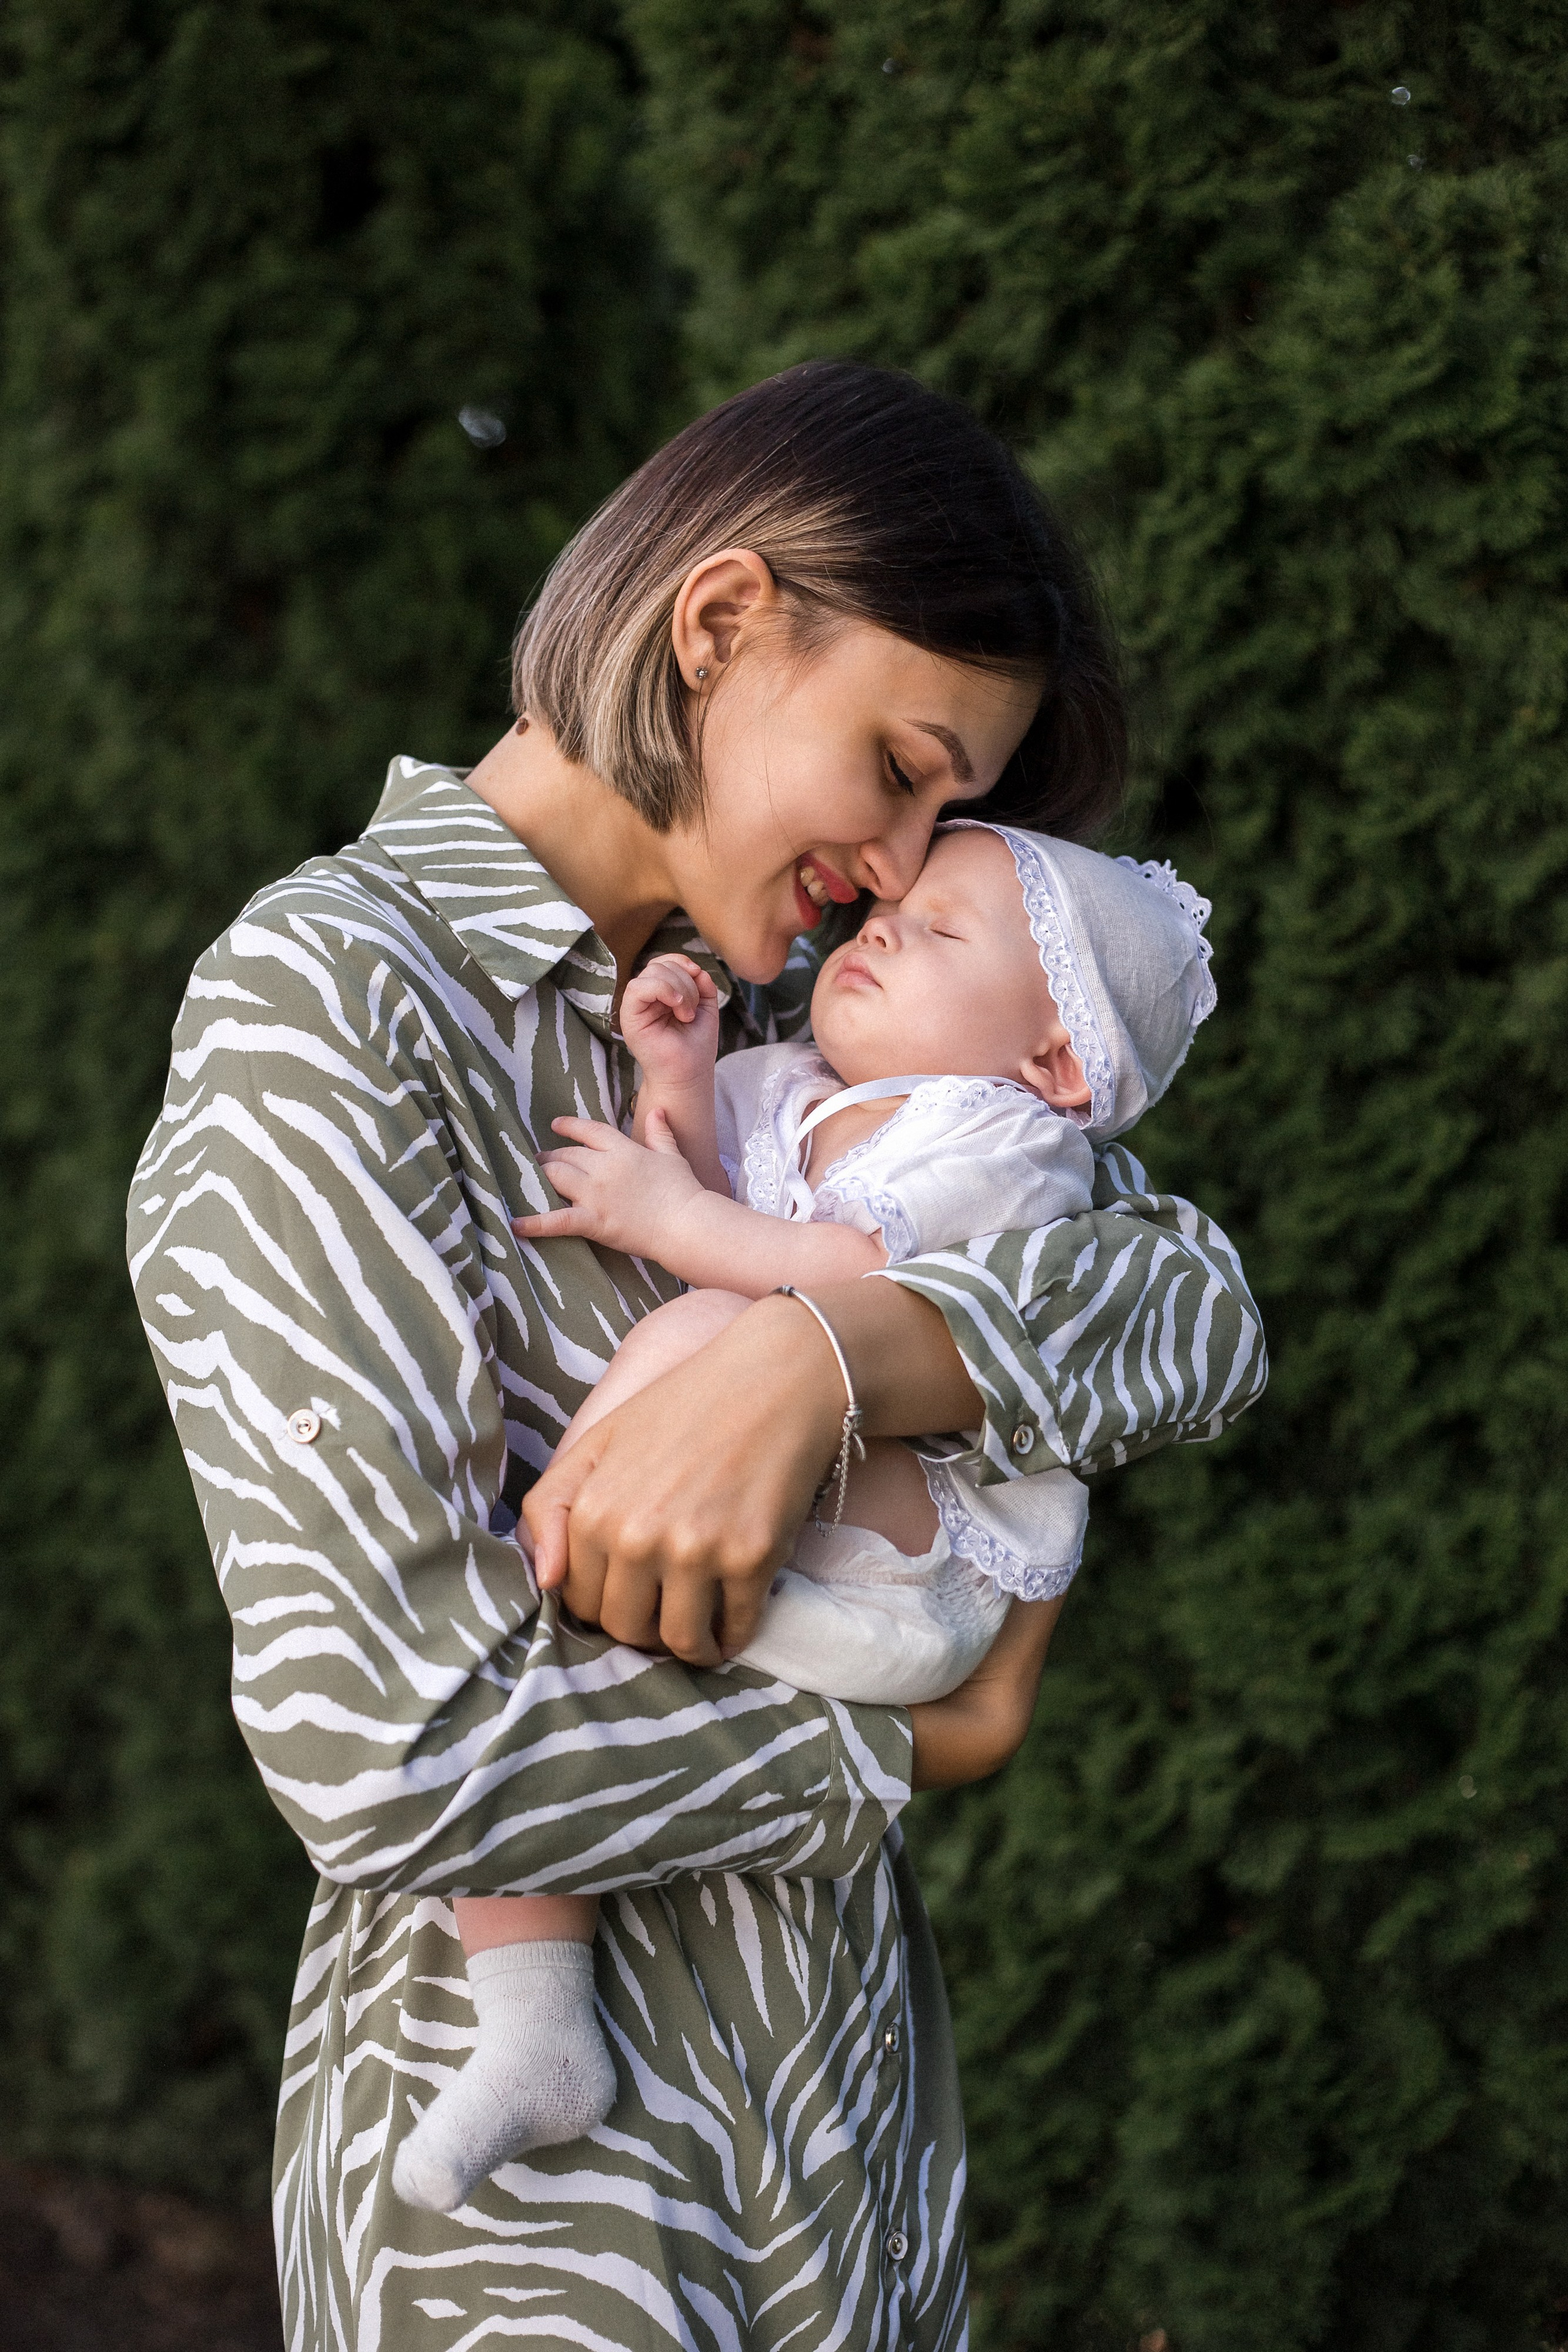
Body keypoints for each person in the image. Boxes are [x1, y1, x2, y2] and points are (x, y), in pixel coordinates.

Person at [126, 362, 1265, 2352]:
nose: (911, 866)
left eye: (950, 814)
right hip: (554, 2231)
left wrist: (834, 1357)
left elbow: (1196, 1311)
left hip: (856, 2154)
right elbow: (383, 1745)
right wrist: (896, 1739)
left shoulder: (808, 1068)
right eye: (904, 766)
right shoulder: (328, 1005)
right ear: (724, 619)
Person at [391, 817, 1221, 2215]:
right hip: (778, 1549)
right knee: (574, 1691)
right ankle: (534, 2024)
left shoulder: (1005, 1143)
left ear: (1056, 1061)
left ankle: (547, 1540)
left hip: (909, 1572)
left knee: (716, 1322)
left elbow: (836, 1278)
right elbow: (728, 1201)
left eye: (939, 933)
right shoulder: (799, 1085)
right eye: (885, 915)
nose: (878, 929)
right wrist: (680, 1076)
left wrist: (664, 1217)